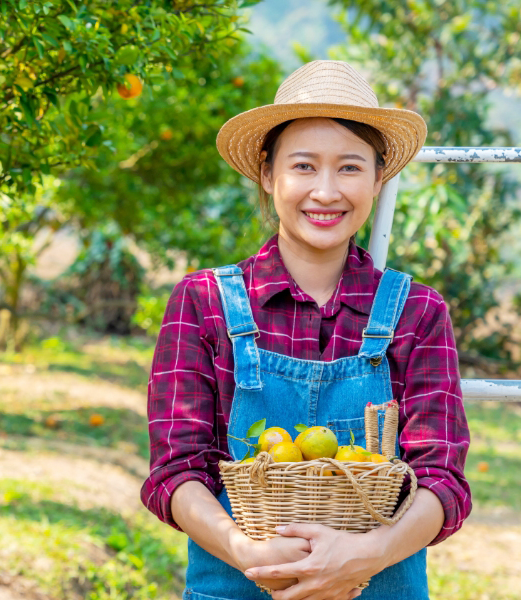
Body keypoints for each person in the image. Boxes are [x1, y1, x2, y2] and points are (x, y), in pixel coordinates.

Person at [140, 60, 471, 600]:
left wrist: (366, 555)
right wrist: (245, 550)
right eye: (303, 166)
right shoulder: (204, 302)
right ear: (268, 175)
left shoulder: (417, 312)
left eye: (349, 167)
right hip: (239, 582)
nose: (325, 191)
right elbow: (176, 469)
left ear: (378, 179)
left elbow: (441, 477)